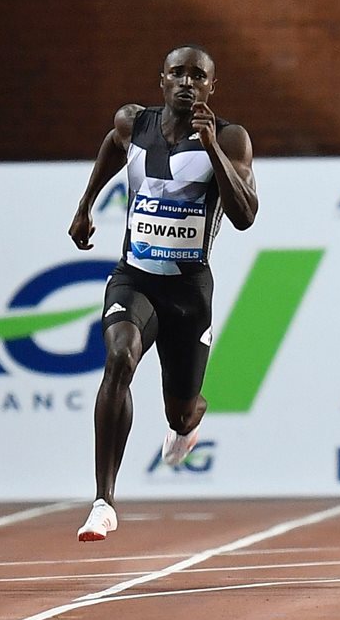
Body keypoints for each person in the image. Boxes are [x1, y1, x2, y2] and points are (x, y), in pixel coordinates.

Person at [68, 45, 258, 541]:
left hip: (188, 292)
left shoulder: (232, 137)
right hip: (135, 278)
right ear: (162, 80)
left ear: (212, 87)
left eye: (198, 76)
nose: (187, 83)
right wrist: (87, 202)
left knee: (181, 405)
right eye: (178, 73)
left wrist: (212, 146)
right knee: (120, 357)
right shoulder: (135, 123)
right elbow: (113, 143)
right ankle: (104, 501)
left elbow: (244, 216)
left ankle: (186, 422)